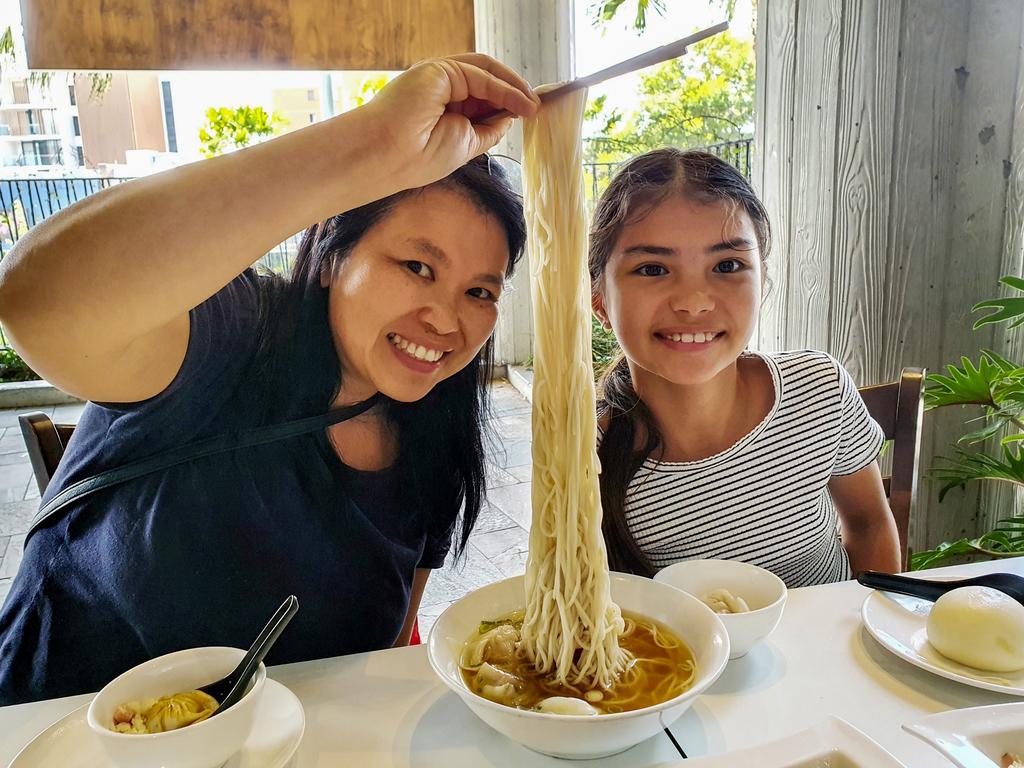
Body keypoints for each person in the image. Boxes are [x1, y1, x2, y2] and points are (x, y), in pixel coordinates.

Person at [0, 54, 541, 704]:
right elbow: (42, 304)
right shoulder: (233, 337)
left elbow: (390, 647)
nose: (447, 319)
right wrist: (370, 145)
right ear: (330, 260)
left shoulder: (436, 445)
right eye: (418, 268)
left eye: (480, 291)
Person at [590, 148, 901, 587]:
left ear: (762, 281)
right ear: (599, 300)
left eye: (728, 265)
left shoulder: (819, 390)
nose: (694, 301)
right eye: (653, 268)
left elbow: (869, 524)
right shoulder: (583, 448)